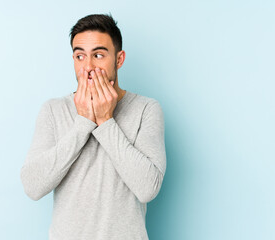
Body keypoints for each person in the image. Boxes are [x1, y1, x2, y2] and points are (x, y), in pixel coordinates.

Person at [20, 13, 167, 240]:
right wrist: (84, 122)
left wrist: (106, 121)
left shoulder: (146, 109)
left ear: (119, 59)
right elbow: (32, 186)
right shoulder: (53, 110)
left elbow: (148, 188)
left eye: (98, 55)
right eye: (80, 56)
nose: (88, 67)